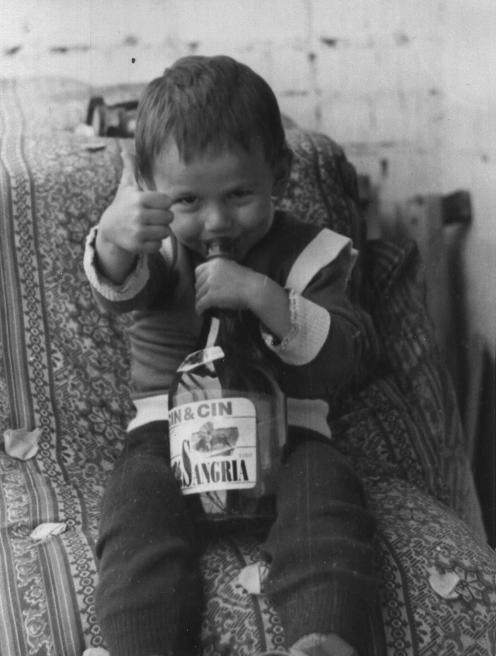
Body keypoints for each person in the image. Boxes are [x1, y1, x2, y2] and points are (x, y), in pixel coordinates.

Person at [83, 54, 384, 656]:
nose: (217, 221)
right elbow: (122, 291)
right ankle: (139, 644)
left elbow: (344, 358)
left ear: (281, 173)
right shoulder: (161, 247)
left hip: (290, 434)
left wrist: (264, 295)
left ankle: (323, 637)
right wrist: (114, 239)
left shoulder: (316, 254)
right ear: (150, 189)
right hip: (170, 434)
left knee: (328, 500)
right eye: (188, 200)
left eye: (241, 194)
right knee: (135, 509)